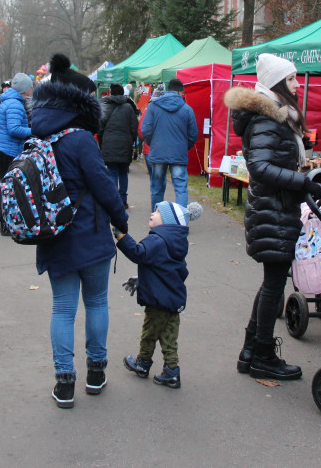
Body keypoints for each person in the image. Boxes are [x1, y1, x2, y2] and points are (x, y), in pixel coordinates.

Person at [28, 70, 128, 409]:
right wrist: (121, 220)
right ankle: (96, 374)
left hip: (54, 235)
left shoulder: (39, 137)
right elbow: (103, 186)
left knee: (63, 308)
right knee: (97, 302)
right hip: (92, 232)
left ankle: (64, 382)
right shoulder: (81, 138)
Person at [224, 53, 321, 380]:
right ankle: (262, 355)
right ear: (279, 83)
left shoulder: (277, 116)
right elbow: (261, 168)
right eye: (292, 79)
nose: (298, 85)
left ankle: (251, 351)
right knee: (274, 284)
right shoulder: (268, 119)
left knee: (272, 282)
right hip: (274, 210)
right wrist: (303, 182)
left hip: (276, 208)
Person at [117, 200, 202, 389]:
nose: (152, 213)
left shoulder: (157, 240)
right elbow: (163, 270)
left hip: (158, 301)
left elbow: (138, 253)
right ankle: (172, 371)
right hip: (172, 298)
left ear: (168, 222)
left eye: (158, 212)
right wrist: (141, 280)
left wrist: (121, 237)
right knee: (168, 336)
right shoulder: (176, 242)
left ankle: (143, 362)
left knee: (150, 332)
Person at [141, 78, 198, 210]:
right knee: (181, 188)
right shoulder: (187, 109)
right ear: (180, 92)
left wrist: (153, 143)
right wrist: (184, 146)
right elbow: (193, 134)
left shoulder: (153, 106)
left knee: (157, 187)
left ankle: (157, 217)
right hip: (178, 153)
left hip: (158, 152)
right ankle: (180, 221)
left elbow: (145, 130)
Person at [0, 73, 34, 235]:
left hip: (4, 150)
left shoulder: (9, 101)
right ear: (25, 90)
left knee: (7, 190)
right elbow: (14, 129)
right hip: (9, 151)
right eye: (31, 87)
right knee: (10, 191)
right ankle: (6, 224)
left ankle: (6, 222)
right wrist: (34, 131)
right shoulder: (15, 105)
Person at [99, 83, 140, 209]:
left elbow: (100, 128)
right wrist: (132, 141)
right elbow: (134, 127)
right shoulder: (128, 107)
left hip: (108, 143)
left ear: (110, 93)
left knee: (112, 172)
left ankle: (112, 200)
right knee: (123, 173)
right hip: (125, 143)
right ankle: (123, 199)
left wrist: (102, 143)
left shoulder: (104, 106)